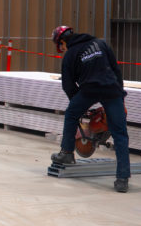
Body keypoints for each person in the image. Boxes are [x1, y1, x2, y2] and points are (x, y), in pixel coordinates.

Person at [50, 25, 131, 193]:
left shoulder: (70, 55)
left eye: (61, 46)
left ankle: (67, 153)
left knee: (71, 115)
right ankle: (122, 179)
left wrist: (77, 104)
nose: (62, 49)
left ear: (63, 42)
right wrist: (121, 97)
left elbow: (68, 85)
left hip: (89, 90)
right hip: (112, 90)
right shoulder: (100, 43)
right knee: (120, 134)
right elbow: (116, 70)